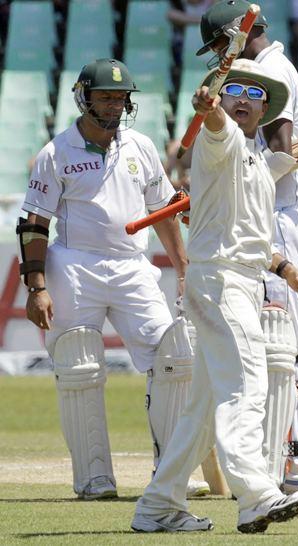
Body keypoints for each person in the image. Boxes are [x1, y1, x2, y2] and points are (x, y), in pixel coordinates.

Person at [131, 59, 298, 534]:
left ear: (266, 109)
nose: (243, 100)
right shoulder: (225, 141)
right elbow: (215, 124)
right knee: (248, 386)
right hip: (221, 282)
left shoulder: (256, 161)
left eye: (255, 95)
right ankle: (256, 495)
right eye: (234, 89)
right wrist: (209, 109)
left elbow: (252, 235)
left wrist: (288, 269)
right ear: (219, 95)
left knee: (204, 412)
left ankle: (157, 506)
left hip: (238, 279)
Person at [16, 58, 208, 500]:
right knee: (79, 366)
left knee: (174, 357)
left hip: (132, 266)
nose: (115, 104)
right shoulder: (56, 153)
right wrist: (37, 287)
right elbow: (33, 224)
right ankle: (93, 478)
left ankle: (171, 470)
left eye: (121, 97)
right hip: (74, 265)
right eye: (105, 96)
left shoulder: (140, 146)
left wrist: (182, 268)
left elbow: (166, 212)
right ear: (84, 97)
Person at [196, 0, 298, 496]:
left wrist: (228, 186)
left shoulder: (267, 70)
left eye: (218, 45)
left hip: (278, 213)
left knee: (281, 343)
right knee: (273, 342)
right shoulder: (267, 65)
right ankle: (290, 463)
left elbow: (280, 152)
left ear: (236, 33)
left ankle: (296, 464)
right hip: (267, 209)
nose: (216, 57)